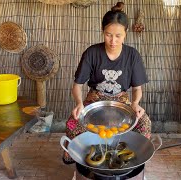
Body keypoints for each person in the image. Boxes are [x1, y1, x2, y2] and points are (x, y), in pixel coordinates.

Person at [63, 2, 151, 164]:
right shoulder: (92, 53)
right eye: (108, 34)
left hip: (122, 102)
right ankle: (78, 158)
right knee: (72, 123)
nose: (113, 41)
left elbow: (137, 88)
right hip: (95, 100)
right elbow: (77, 85)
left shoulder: (132, 56)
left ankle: (130, 157)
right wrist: (79, 103)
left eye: (118, 36)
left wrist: (136, 103)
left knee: (144, 123)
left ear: (126, 33)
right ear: (103, 32)